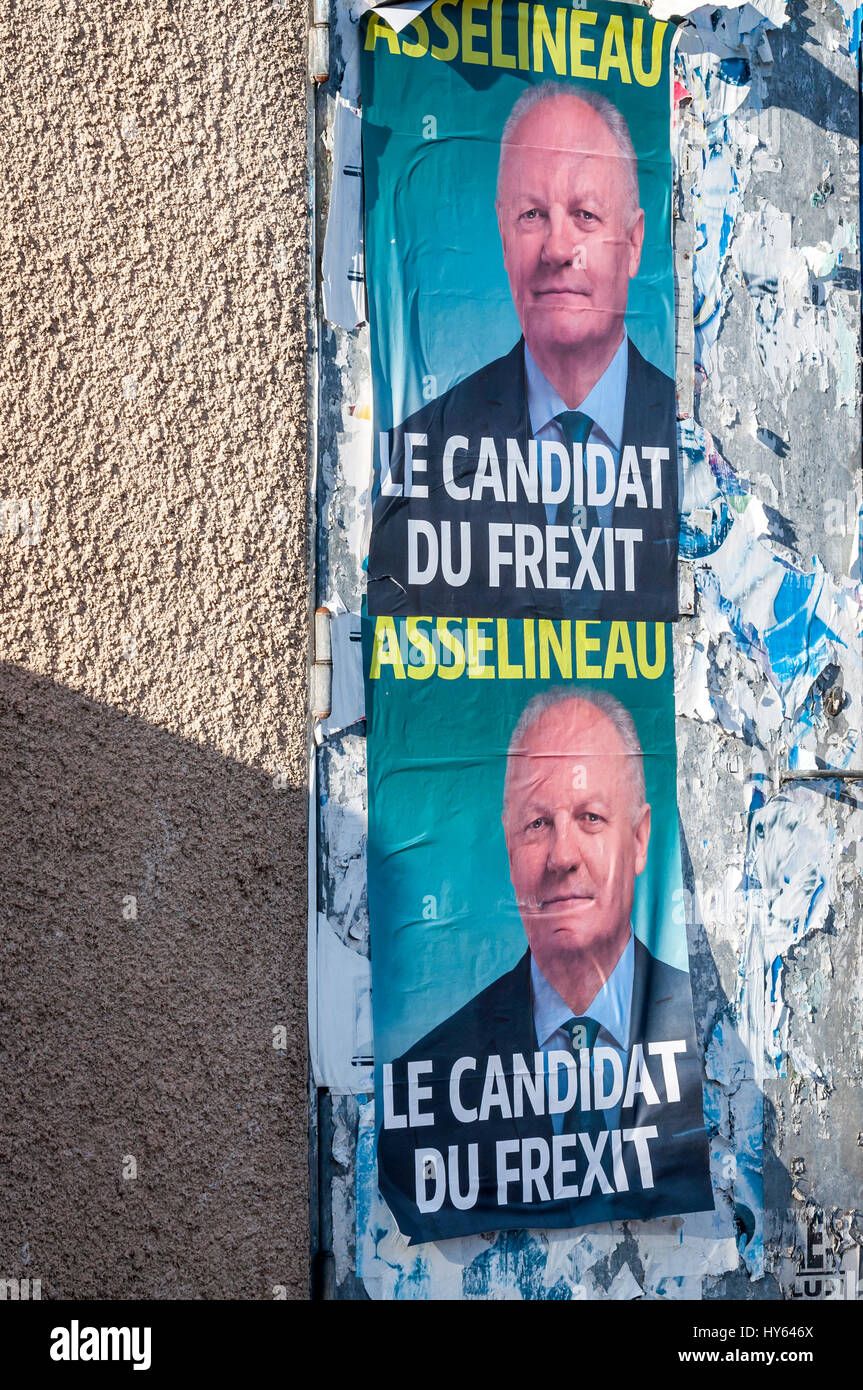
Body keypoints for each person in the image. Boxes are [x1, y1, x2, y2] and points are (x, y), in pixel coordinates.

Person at [377, 689, 712, 1243]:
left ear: (640, 838)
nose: (562, 856)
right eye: (537, 824)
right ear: (509, 846)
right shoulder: (429, 1091)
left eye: (591, 817)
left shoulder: (711, 1050)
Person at [368, 84, 679, 621]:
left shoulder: (691, 441)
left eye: (585, 215)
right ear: (503, 236)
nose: (557, 249)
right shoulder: (421, 458)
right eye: (532, 215)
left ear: (633, 243)